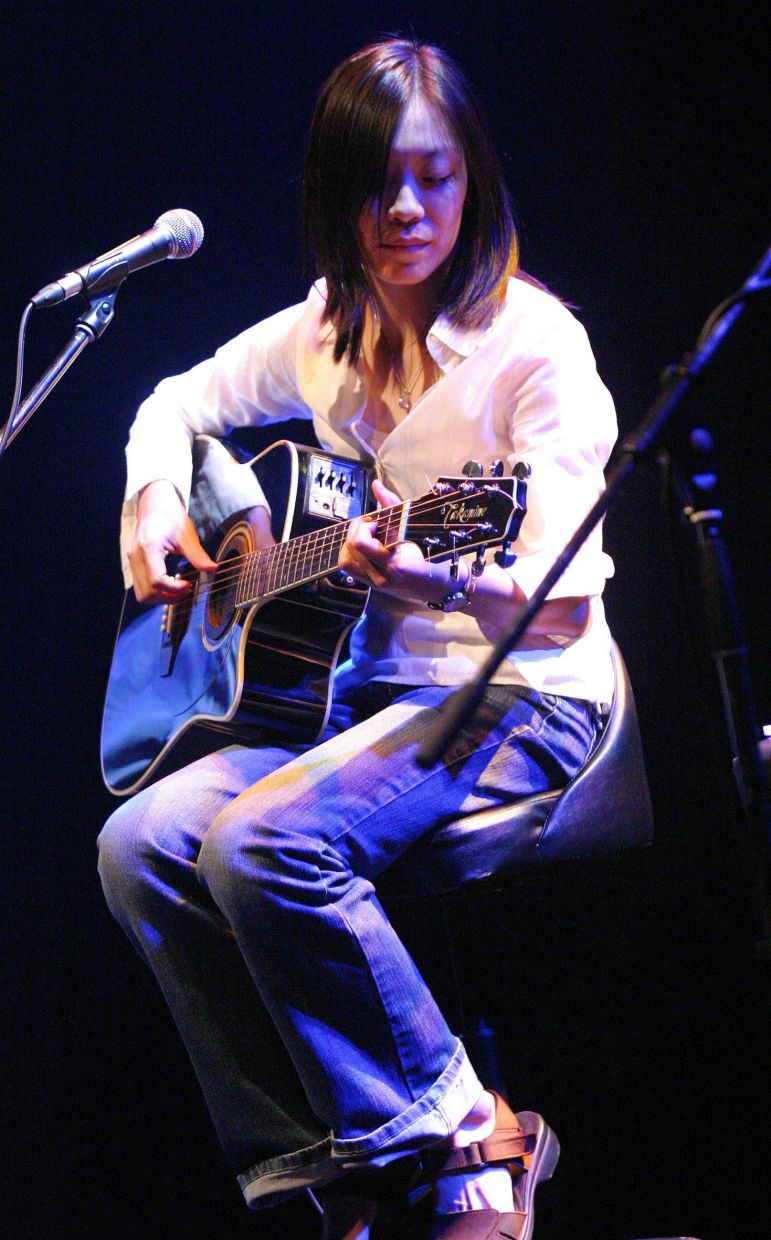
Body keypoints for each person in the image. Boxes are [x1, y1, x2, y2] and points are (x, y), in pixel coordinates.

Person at [97, 37, 617, 1240]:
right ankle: (336, 1165)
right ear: (335, 194)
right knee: (140, 843)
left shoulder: (539, 355)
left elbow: (570, 596)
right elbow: (172, 399)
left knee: (263, 841)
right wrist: (152, 496)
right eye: (377, 181)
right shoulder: (327, 333)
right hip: (373, 694)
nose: (406, 209)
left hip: (526, 690)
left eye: (434, 177)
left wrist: (431, 570)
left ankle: (468, 1139)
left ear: (472, 180)